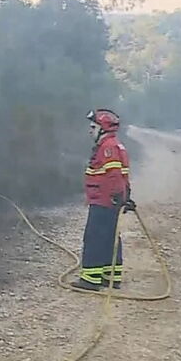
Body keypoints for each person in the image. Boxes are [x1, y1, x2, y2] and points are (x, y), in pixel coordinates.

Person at [71, 109, 136, 291]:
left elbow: (114, 174)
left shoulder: (107, 148)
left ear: (103, 128)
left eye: (93, 127)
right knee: (110, 237)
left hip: (104, 201)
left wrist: (117, 195)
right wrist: (125, 196)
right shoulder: (115, 145)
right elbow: (123, 175)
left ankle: (90, 279)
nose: (90, 131)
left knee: (94, 237)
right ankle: (110, 277)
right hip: (110, 200)